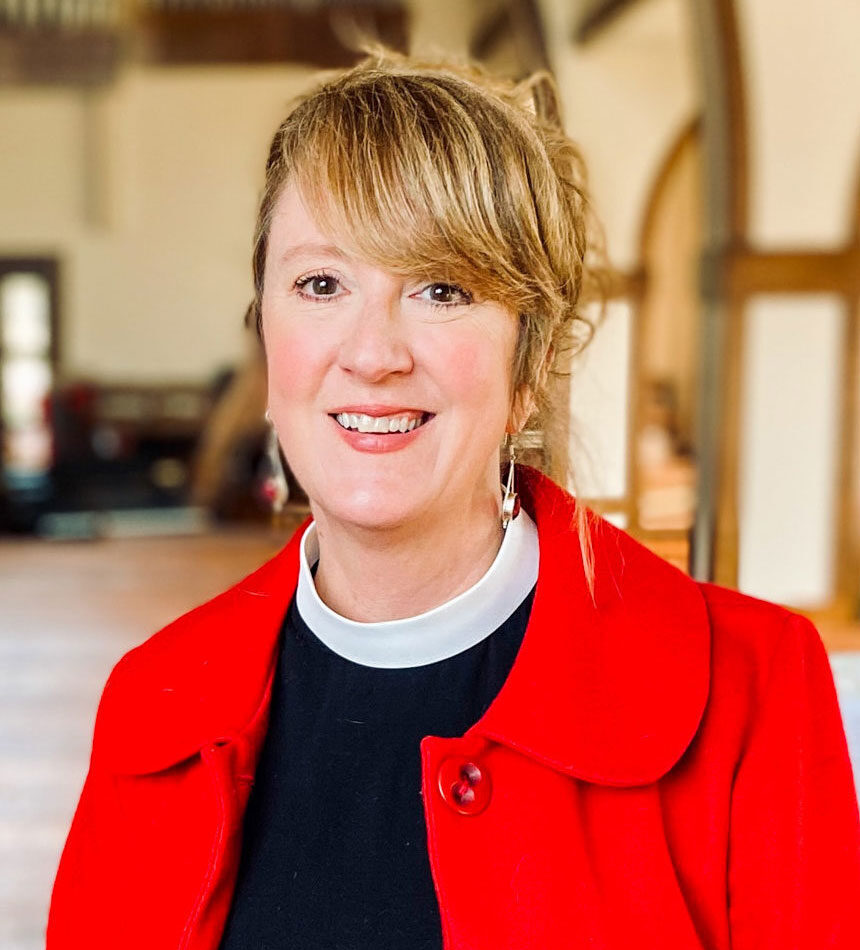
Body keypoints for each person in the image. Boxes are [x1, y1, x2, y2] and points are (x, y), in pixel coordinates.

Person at [47, 48, 860, 949]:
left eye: (442, 288)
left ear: (532, 363)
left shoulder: (755, 690)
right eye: (322, 284)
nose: (372, 352)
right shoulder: (152, 701)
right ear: (267, 343)